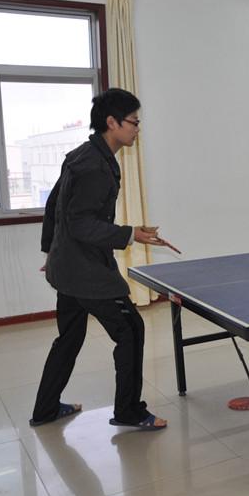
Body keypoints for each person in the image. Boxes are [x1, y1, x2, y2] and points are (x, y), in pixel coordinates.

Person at [30, 88, 168, 429]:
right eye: (134, 122)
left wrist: (52, 251)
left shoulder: (84, 154)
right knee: (131, 330)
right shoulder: (94, 165)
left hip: (68, 267)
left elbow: (55, 206)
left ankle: (46, 409)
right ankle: (129, 412)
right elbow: (80, 223)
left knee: (69, 338)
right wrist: (130, 234)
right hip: (86, 271)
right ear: (112, 122)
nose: (137, 129)